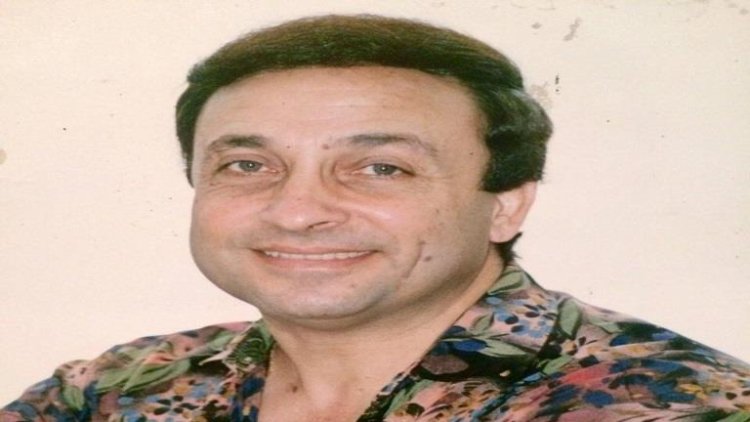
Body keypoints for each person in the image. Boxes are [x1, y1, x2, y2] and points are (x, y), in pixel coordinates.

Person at [2, 14, 748, 422]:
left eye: (380, 168)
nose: (297, 211)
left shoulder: (656, 401)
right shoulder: (113, 390)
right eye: (249, 165)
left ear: (505, 204)